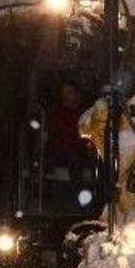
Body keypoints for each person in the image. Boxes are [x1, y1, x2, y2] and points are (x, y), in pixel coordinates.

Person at [42, 82, 94, 212]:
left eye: (71, 92)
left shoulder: (86, 113)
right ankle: (83, 203)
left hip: (82, 152)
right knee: (74, 161)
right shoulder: (55, 114)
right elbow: (49, 138)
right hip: (61, 154)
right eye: (65, 94)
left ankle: (94, 205)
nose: (69, 96)